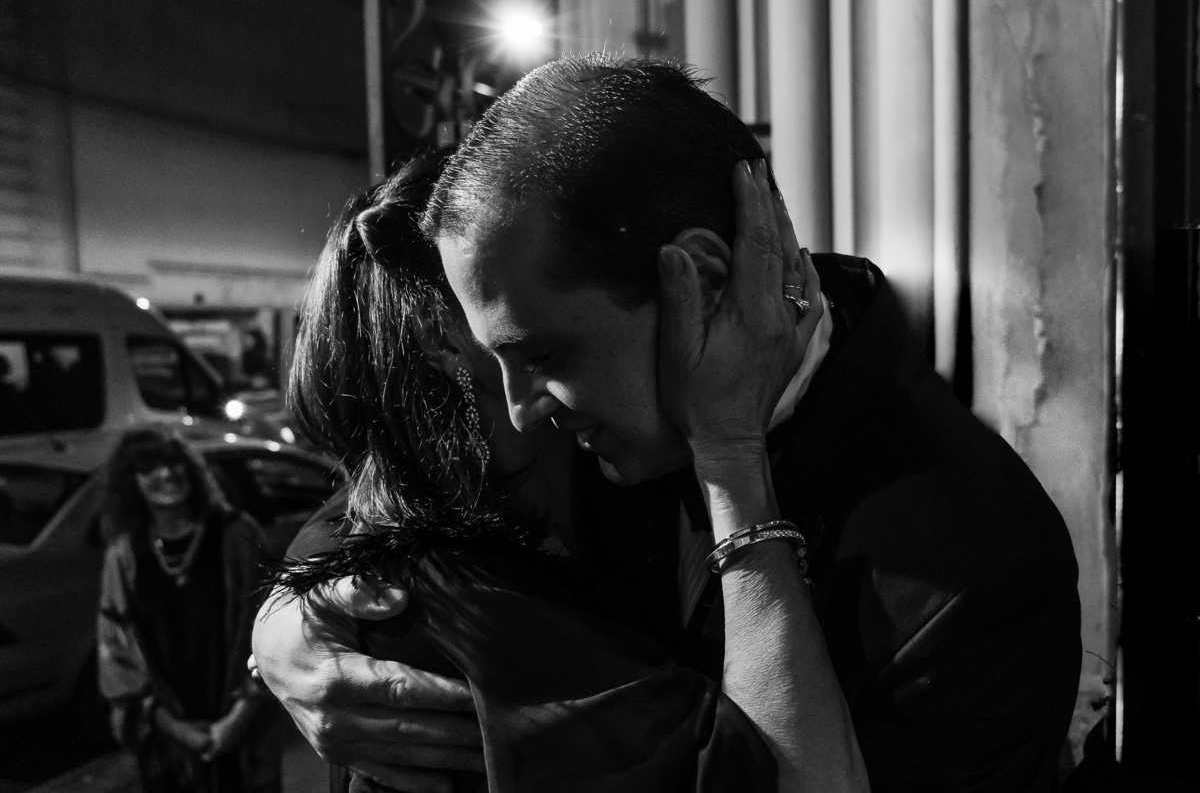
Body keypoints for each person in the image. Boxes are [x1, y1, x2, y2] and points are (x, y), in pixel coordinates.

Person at [254, 55, 1081, 792]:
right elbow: (404, 483)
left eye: (540, 355)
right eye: (492, 365)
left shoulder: (980, 569)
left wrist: (730, 464)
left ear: (704, 283)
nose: (516, 408)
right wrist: (292, 626)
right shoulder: (595, 412)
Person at [258, 149, 858, 792]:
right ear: (446, 336)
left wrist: (283, 609)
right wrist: (732, 456)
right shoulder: (474, 611)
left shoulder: (547, 490)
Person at [97, 429, 280, 793]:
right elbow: (115, 650)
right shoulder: (125, 556)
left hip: (243, 731)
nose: (166, 474)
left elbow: (275, 628)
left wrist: (239, 716)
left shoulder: (237, 534)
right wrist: (170, 725)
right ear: (131, 482)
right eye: (149, 467)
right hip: (170, 744)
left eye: (173, 462)